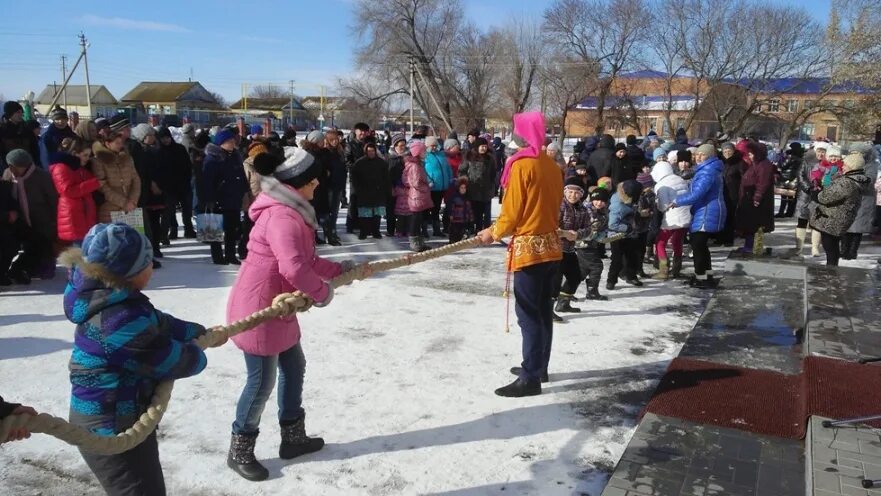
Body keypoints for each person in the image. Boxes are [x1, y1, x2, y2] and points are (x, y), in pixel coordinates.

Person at [225, 149, 367, 481]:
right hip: (260, 307)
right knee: (260, 382)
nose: (318, 182)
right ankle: (240, 450)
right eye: (312, 178)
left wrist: (341, 269)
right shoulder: (282, 217)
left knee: (294, 365)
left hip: (280, 304)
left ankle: (293, 437)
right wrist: (322, 293)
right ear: (297, 183)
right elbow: (293, 267)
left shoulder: (293, 211)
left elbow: (307, 259)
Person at [59, 223, 208, 495]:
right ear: (131, 272)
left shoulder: (112, 299)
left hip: (123, 413)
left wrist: (191, 331)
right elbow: (171, 360)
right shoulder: (117, 320)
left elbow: (155, 323)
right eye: (148, 261)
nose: (152, 266)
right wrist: (196, 354)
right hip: (107, 430)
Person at [477, 111, 563, 398]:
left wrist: (493, 232)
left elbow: (512, 214)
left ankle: (530, 377)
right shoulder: (551, 165)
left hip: (529, 249)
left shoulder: (522, 166)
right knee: (542, 312)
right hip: (551, 245)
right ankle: (539, 366)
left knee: (528, 314)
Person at [669, 144, 726, 289]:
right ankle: (707, 276)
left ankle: (702, 278)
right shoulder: (710, 169)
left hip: (706, 212)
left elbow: (697, 194)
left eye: (703, 154)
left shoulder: (707, 172)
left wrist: (677, 201)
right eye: (697, 154)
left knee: (698, 245)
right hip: (706, 210)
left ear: (711, 155)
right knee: (701, 246)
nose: (699, 157)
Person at [2, 149, 58, 281]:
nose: (18, 170)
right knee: (26, 245)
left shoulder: (42, 176)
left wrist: (55, 219)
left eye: (22, 167)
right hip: (19, 219)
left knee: (45, 244)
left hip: (42, 217)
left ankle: (43, 267)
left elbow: (53, 199)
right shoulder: (7, 175)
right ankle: (21, 269)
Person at [810, 152, 871, 266]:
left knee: (830, 246)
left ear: (851, 166)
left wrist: (816, 194)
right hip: (840, 218)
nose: (842, 166)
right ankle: (831, 268)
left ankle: (831, 270)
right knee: (831, 246)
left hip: (833, 219)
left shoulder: (847, 182)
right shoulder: (854, 180)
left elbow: (826, 197)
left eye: (845, 165)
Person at [203, 129, 248, 265]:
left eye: (233, 141)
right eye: (229, 141)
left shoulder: (235, 156)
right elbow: (206, 181)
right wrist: (209, 199)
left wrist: (244, 192)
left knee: (232, 229)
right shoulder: (212, 158)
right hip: (217, 198)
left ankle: (230, 255)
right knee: (214, 229)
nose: (232, 143)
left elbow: (242, 177)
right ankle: (217, 256)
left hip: (233, 198)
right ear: (220, 143)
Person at [50, 137, 101, 245]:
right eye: (85, 155)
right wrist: (95, 183)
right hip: (73, 215)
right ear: (75, 153)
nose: (87, 158)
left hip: (83, 213)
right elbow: (68, 191)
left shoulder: (79, 168)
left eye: (89, 155)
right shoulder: (61, 167)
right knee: (79, 251)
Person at [554, 177, 592, 315]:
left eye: (577, 193)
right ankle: (547, 310)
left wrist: (577, 235)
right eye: (570, 191)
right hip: (555, 250)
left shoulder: (583, 209)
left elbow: (588, 229)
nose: (573, 195)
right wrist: (563, 233)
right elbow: (550, 227)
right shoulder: (558, 205)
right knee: (554, 281)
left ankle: (563, 303)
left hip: (570, 250)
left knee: (575, 276)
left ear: (581, 194)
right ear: (565, 191)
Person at [651, 158, 691, 279]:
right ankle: (676, 270)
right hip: (686, 216)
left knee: (660, 242)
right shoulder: (680, 179)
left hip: (672, 217)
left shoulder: (661, 184)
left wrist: (656, 203)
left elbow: (663, 206)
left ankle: (663, 270)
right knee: (677, 241)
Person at [156, 126, 196, 241]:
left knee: (187, 208)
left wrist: (187, 179)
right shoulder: (159, 151)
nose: (166, 140)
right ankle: (172, 230)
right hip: (168, 187)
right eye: (163, 138)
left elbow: (188, 166)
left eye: (167, 137)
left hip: (183, 184)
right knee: (170, 211)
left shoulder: (179, 148)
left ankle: (189, 228)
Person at [92, 130, 140, 225]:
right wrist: (123, 202)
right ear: (108, 144)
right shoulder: (98, 161)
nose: (120, 145)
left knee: (130, 237)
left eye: (121, 143)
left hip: (130, 207)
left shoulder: (127, 158)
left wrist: (133, 200)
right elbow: (103, 187)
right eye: (117, 143)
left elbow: (136, 180)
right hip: (110, 208)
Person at [736, 142, 775, 254]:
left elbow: (762, 183)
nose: (750, 156)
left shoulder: (764, 165)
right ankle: (749, 246)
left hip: (757, 200)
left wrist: (757, 197)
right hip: (749, 197)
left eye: (751, 154)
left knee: (757, 226)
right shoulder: (756, 164)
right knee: (751, 225)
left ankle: (754, 247)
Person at [841, 146, 878, 259]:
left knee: (858, 228)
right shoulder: (848, 161)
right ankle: (843, 250)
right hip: (848, 198)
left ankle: (852, 251)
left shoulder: (872, 165)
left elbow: (869, 181)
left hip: (864, 199)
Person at [606, 180, 643, 290]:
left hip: (630, 235)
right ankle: (611, 280)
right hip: (617, 235)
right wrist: (628, 228)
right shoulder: (618, 205)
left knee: (632, 256)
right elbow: (612, 224)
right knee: (617, 259)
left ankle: (631, 276)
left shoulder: (630, 198)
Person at [398, 141, 433, 252]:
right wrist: (427, 187)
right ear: (418, 153)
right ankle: (414, 243)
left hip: (419, 197)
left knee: (419, 219)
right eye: (424, 151)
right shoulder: (415, 166)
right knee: (416, 220)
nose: (426, 153)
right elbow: (415, 183)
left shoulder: (417, 164)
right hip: (417, 196)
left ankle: (419, 242)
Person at [350, 142, 390, 239]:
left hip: (378, 192)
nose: (371, 153)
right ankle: (364, 231)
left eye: (373, 151)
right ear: (365, 152)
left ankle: (376, 231)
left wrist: (385, 189)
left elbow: (386, 177)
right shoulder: (359, 163)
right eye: (369, 151)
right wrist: (358, 189)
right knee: (364, 214)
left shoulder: (381, 162)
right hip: (364, 192)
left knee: (377, 214)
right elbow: (354, 177)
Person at [795, 142, 829, 256]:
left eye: (823, 151)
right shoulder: (806, 161)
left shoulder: (827, 165)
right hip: (805, 196)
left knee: (817, 222)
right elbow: (800, 176)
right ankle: (798, 248)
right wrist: (808, 187)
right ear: (815, 151)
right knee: (802, 221)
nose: (821, 154)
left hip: (820, 197)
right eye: (819, 151)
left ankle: (815, 248)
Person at [301, 131, 333, 245]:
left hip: (320, 186)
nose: (324, 142)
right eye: (321, 140)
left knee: (318, 213)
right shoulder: (310, 154)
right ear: (316, 141)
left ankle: (316, 235)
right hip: (313, 187)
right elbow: (315, 170)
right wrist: (325, 171)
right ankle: (312, 236)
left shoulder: (319, 152)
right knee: (313, 213)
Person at [459, 137, 496, 232]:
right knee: (473, 211)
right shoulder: (469, 157)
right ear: (477, 147)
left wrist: (493, 185)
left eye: (485, 146)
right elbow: (462, 171)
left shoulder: (490, 158)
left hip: (486, 190)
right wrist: (464, 182)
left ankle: (483, 230)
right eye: (482, 146)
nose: (484, 148)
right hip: (472, 189)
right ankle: (472, 228)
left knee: (484, 212)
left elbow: (493, 173)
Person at [579, 188, 610, 300]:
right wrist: (592, 234)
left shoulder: (603, 212)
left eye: (602, 201)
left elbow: (603, 227)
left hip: (592, 243)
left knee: (584, 269)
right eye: (596, 200)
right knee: (597, 266)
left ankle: (567, 291)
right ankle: (592, 292)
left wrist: (602, 235)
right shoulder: (586, 211)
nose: (599, 203)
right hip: (583, 243)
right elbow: (581, 228)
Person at [424, 136, 453, 237]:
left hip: (441, 186)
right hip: (431, 187)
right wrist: (428, 181)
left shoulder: (441, 155)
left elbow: (447, 168)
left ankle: (437, 230)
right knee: (427, 209)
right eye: (432, 146)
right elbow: (423, 171)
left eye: (435, 145)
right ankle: (424, 230)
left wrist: (450, 178)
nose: (434, 148)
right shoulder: (425, 156)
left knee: (436, 209)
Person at [717, 142, 744, 246]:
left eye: (729, 151)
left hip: (733, 194)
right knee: (720, 216)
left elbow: (744, 178)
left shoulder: (739, 163)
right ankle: (719, 237)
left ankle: (728, 239)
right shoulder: (720, 162)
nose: (727, 153)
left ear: (733, 151)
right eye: (725, 151)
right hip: (720, 193)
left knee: (730, 216)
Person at [344, 123, 370, 233]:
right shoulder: (350, 144)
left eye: (365, 131)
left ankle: (364, 224)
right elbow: (347, 161)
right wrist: (356, 168)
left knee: (366, 201)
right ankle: (350, 225)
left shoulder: (369, 144)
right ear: (356, 131)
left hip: (368, 177)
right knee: (354, 201)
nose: (362, 133)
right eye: (360, 131)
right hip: (355, 176)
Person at [1, 100, 41, 170]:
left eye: (21, 112)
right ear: (10, 114)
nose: (21, 114)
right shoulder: (2, 131)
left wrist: (37, 166)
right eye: (18, 112)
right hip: (9, 169)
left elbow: (34, 151)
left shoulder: (26, 130)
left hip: (28, 168)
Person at [324, 129, 346, 245]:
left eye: (336, 139)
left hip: (338, 185)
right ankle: (328, 233)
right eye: (331, 140)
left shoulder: (340, 151)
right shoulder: (326, 152)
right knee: (328, 212)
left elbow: (342, 168)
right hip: (329, 186)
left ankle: (333, 231)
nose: (334, 142)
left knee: (335, 212)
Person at [775, 143, 803, 218]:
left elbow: (783, 166)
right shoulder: (800, 157)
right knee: (791, 196)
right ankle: (790, 212)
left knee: (784, 196)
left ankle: (781, 212)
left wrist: (779, 162)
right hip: (794, 178)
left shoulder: (790, 157)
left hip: (786, 177)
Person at [445, 177, 473, 243]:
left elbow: (469, 209)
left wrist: (471, 218)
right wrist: (451, 214)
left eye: (464, 188)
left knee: (462, 232)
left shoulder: (467, 197)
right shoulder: (454, 197)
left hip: (464, 219)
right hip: (456, 219)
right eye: (461, 188)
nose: (463, 190)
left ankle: (461, 241)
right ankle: (452, 241)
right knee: (454, 232)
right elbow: (450, 207)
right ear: (458, 188)